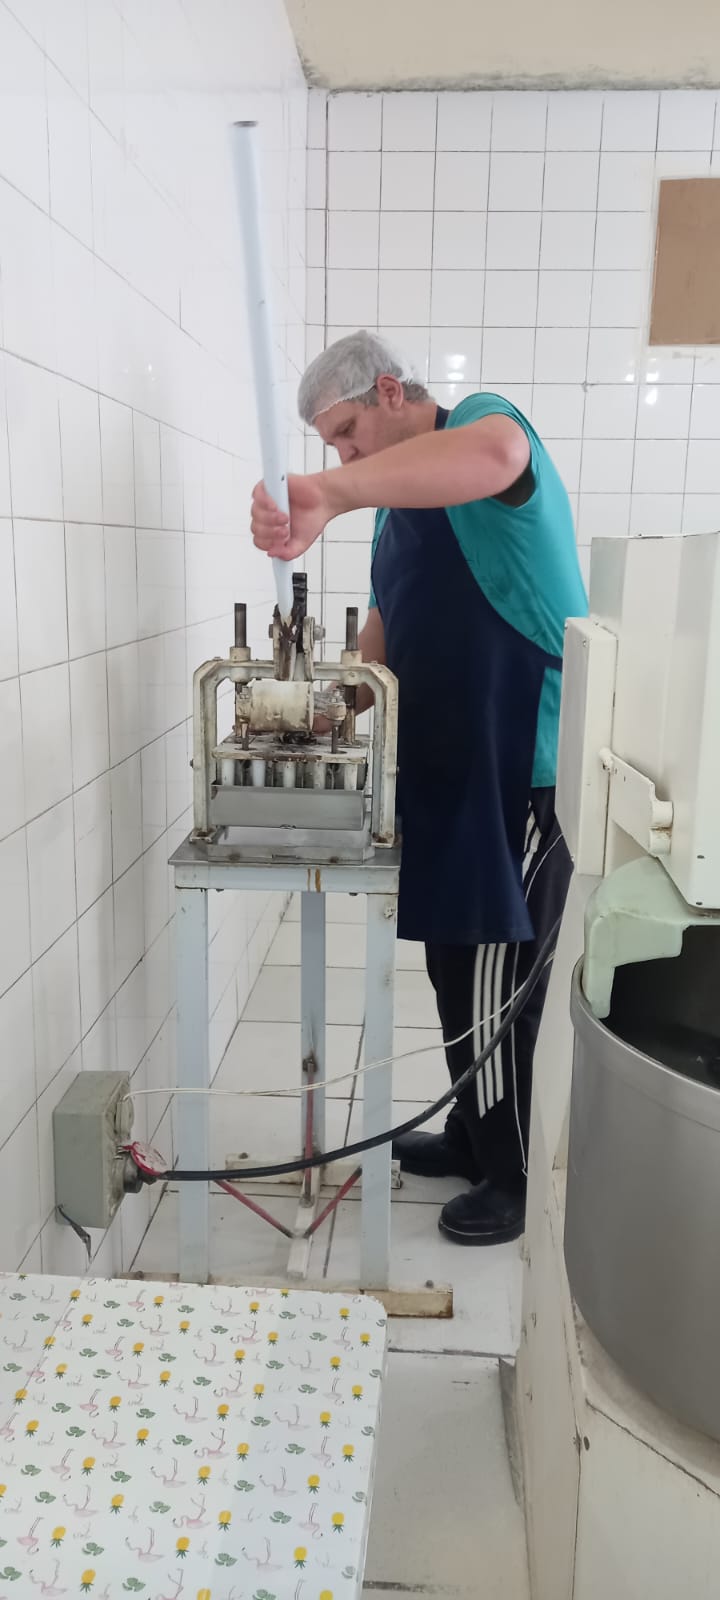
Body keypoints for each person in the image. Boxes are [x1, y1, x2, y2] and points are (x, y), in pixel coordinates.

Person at [250, 331, 587, 1246]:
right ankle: (477, 1135)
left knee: (495, 976)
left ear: (393, 392)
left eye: (347, 434)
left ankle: (513, 1175)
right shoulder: (397, 509)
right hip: (451, 769)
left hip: (521, 769)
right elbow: (388, 629)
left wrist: (331, 493)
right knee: (453, 964)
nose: (344, 458)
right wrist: (328, 713)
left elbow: (498, 454)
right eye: (332, 448)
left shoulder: (481, 427)